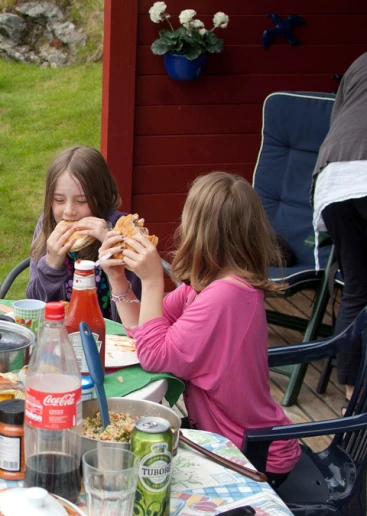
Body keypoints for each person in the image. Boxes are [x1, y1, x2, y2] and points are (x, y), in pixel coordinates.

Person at [98, 172, 301, 488]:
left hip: (249, 454)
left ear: (198, 231)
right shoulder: (208, 286)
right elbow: (146, 330)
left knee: (132, 475)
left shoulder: (225, 297)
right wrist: (119, 280)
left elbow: (153, 355)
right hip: (224, 438)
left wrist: (152, 281)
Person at [311, 51, 367, 412]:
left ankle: (351, 394)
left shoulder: (360, 61)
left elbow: (338, 119)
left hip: (333, 179)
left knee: (357, 289)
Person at [27, 146, 141, 322]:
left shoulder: (123, 230)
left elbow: (140, 306)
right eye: (59, 200)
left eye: (82, 200)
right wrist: (51, 264)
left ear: (101, 197)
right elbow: (34, 307)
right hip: (59, 335)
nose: (69, 211)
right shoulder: (47, 226)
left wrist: (115, 249)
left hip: (114, 339)